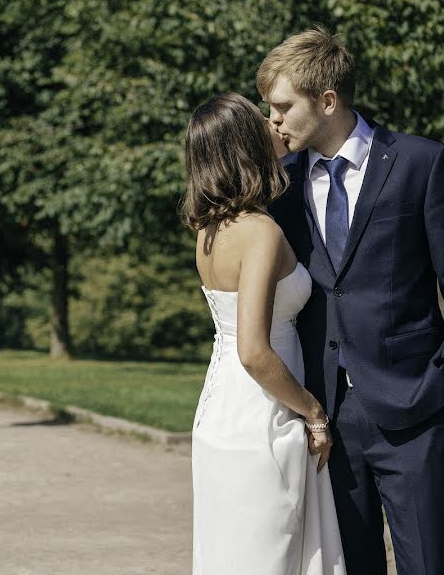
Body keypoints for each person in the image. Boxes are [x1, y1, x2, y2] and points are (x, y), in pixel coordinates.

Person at [259, 27, 444, 575]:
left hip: (416, 409)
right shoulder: (282, 185)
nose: (272, 120)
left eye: (282, 107)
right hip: (325, 422)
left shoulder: (421, 163)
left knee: (434, 564)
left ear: (328, 100)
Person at [182, 92, 346, 575]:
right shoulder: (259, 233)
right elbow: (253, 350)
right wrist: (313, 412)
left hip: (219, 412)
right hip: (262, 416)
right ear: (242, 147)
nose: (274, 125)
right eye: (260, 122)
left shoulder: (211, 229)